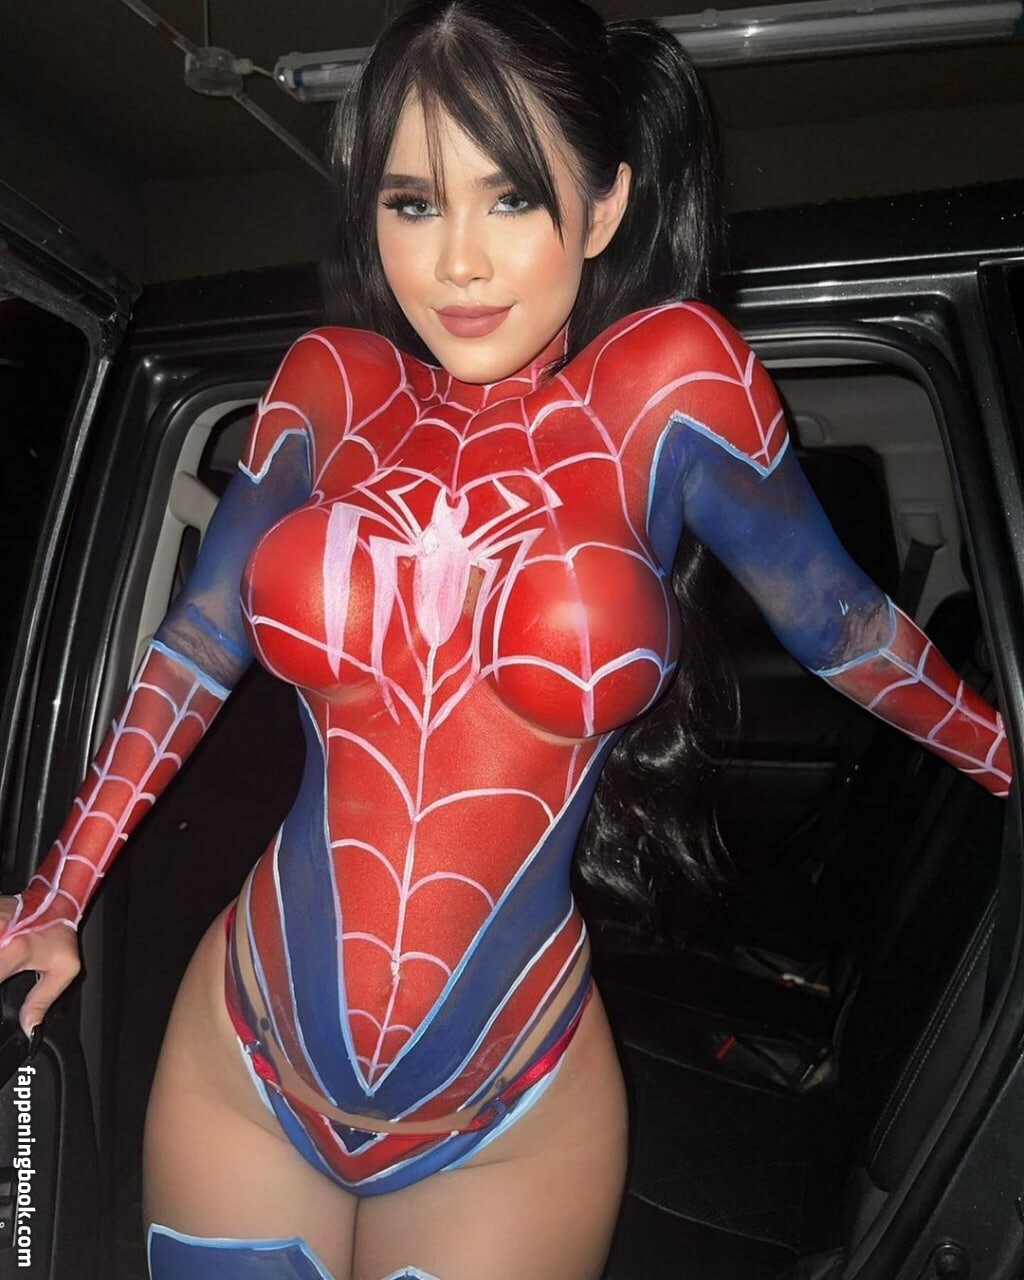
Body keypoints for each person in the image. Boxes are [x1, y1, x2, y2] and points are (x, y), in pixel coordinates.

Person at [0, 1, 1012, 1277]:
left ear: (603, 206)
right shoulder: (329, 384)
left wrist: (1008, 762)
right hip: (242, 1049)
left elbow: (846, 623)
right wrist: (59, 892)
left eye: (513, 196)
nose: (459, 262)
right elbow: (199, 639)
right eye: (413, 202)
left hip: (507, 1105)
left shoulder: (671, 386)